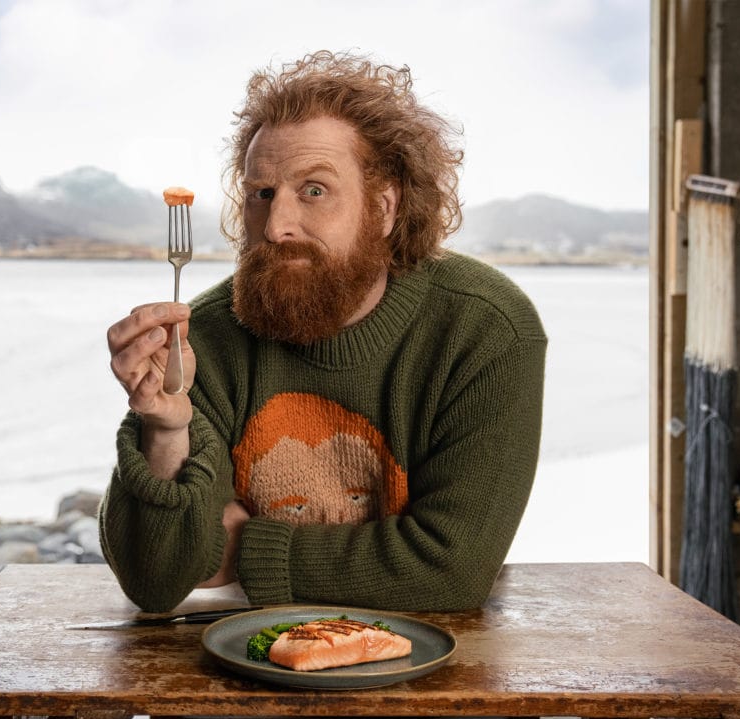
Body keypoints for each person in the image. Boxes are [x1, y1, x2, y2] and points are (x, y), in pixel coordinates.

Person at [101, 51, 547, 613]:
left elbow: (450, 571)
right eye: (261, 194)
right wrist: (165, 430)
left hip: (433, 677)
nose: (278, 225)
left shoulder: (486, 329)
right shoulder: (204, 337)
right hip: (232, 677)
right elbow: (156, 581)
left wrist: (244, 549)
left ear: (384, 209)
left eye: (314, 190)